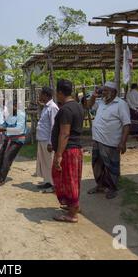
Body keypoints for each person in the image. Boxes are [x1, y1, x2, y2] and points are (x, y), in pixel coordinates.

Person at [86, 81, 131, 200]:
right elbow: (88, 106)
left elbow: (126, 124)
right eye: (103, 90)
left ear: (113, 92)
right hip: (97, 139)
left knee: (111, 167)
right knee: (97, 165)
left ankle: (112, 188)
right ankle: (100, 185)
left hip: (111, 141)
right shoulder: (101, 102)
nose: (103, 92)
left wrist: (123, 142)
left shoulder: (121, 104)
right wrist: (93, 96)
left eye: (106, 90)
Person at [51, 80, 84, 223]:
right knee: (72, 179)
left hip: (69, 150)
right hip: (75, 149)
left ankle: (72, 214)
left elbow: (64, 133)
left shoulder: (66, 109)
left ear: (59, 92)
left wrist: (58, 155)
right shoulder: (77, 106)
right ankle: (72, 206)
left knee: (69, 180)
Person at [0, 96, 28, 187]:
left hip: (18, 139)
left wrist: (3, 129)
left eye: (10, 107)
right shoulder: (10, 115)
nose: (8, 109)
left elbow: (19, 129)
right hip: (9, 138)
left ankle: (0, 179)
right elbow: (4, 124)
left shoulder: (21, 115)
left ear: (16, 106)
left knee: (7, 158)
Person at [35, 87, 59, 193]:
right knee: (44, 162)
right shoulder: (46, 107)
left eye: (41, 94)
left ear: (46, 95)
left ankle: (54, 184)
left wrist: (51, 142)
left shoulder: (52, 107)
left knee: (49, 162)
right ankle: (48, 181)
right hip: (42, 138)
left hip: (47, 140)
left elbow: (54, 126)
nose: (39, 96)